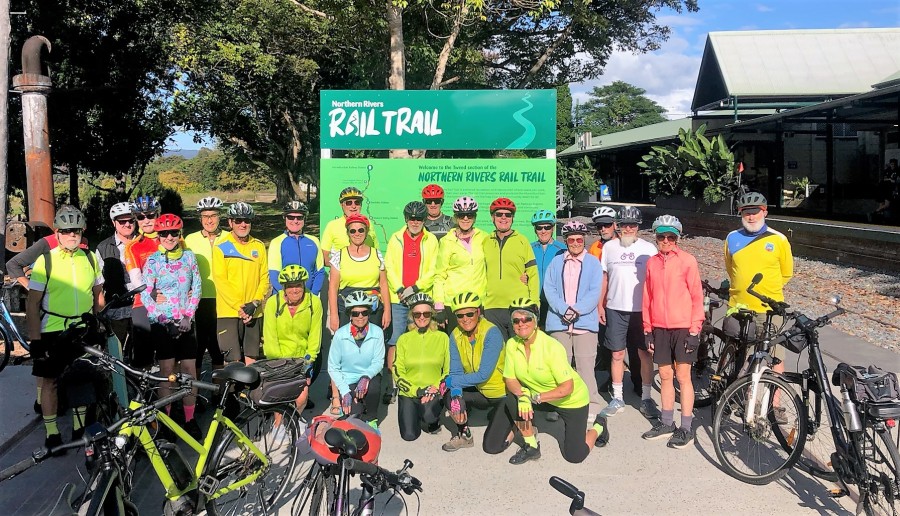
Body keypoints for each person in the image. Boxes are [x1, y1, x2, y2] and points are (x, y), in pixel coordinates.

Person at [488, 298, 609, 465]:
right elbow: (509, 378)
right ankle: (531, 445)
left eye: (526, 318)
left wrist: (534, 397)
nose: (521, 324)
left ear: (535, 320)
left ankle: (599, 426)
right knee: (511, 400)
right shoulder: (511, 344)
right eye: (516, 320)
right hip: (538, 396)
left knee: (575, 456)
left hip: (570, 400)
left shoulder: (552, 347)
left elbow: (567, 387)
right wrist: (522, 396)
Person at [26, 206, 104, 450]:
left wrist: (99, 322)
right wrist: (35, 340)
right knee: (50, 381)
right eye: (67, 231)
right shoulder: (46, 260)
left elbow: (98, 294)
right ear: (57, 233)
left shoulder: (90, 258)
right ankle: (52, 432)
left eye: (76, 231)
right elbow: (32, 303)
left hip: (82, 327)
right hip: (53, 329)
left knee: (81, 378)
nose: (72, 235)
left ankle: (79, 428)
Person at [641, 215, 704, 449]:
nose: (666, 241)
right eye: (661, 237)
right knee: (665, 375)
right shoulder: (652, 263)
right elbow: (647, 297)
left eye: (671, 237)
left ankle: (686, 427)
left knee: (683, 377)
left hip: (683, 327)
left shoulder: (687, 261)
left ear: (677, 238)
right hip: (660, 327)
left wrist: (695, 330)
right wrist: (647, 329)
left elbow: (697, 297)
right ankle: (667, 423)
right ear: (656, 237)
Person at [140, 214, 203, 439]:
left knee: (189, 370)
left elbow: (197, 288)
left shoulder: (189, 257)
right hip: (162, 323)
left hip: (185, 322)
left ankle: (190, 418)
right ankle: (166, 421)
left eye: (173, 233)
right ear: (158, 236)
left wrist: (188, 316)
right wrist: (164, 320)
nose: (169, 237)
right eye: (164, 233)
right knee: (167, 371)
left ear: (180, 234)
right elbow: (145, 295)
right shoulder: (153, 261)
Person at [724, 192, 793, 390]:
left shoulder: (778, 239)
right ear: (740, 214)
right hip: (738, 307)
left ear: (765, 212)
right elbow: (731, 269)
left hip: (769, 309)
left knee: (775, 357)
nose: (751, 216)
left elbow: (787, 273)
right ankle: (742, 396)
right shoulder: (732, 238)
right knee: (739, 355)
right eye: (746, 213)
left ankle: (775, 402)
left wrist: (767, 291)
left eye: (755, 212)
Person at [598, 206, 659, 419]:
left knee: (644, 354)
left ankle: (646, 398)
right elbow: (604, 278)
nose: (628, 228)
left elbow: (655, 281)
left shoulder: (649, 248)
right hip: (615, 308)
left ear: (638, 227)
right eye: (624, 225)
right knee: (616, 354)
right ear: (618, 226)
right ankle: (617, 398)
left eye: (632, 225)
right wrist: (600, 305)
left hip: (641, 310)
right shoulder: (609, 248)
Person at [543, 221, 604, 418]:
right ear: (566, 241)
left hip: (585, 323)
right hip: (559, 322)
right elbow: (549, 288)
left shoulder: (593, 263)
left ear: (584, 240)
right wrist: (563, 310)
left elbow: (595, 291)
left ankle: (590, 405)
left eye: (579, 239)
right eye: (571, 240)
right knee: (560, 368)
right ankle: (559, 405)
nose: (576, 243)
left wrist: (577, 310)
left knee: (585, 368)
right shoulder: (557, 262)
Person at [384, 201, 440, 403]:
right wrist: (400, 289)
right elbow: (389, 266)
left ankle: (426, 381)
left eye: (419, 218)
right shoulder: (396, 238)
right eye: (411, 218)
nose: (415, 222)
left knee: (424, 339)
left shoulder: (431, 240)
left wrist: (415, 288)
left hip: (421, 297)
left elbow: (433, 269)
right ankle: (392, 384)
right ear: (406, 219)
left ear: (425, 220)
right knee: (395, 341)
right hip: (398, 297)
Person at [441, 292, 508, 452]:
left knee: (491, 447)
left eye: (470, 314)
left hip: (501, 394)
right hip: (479, 390)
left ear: (478, 312)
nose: (465, 319)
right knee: (449, 394)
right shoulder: (455, 335)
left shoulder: (491, 332)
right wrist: (456, 395)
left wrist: (450, 382)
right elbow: (456, 370)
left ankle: (518, 423)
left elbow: (483, 375)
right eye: (460, 315)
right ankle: (465, 435)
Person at [212, 202, 269, 363]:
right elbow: (220, 281)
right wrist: (241, 307)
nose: (243, 224)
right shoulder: (221, 247)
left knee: (252, 360)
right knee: (233, 361)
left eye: (247, 220)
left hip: (254, 311)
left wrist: (255, 302)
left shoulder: (259, 246)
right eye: (238, 220)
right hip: (229, 313)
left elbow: (264, 277)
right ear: (230, 222)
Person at [262, 265, 322, 413]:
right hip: (279, 359)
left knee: (301, 399)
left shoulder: (314, 303)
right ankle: (279, 425)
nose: (295, 290)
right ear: (284, 287)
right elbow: (270, 337)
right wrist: (280, 365)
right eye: (290, 286)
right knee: (280, 399)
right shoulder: (273, 303)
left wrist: (308, 362)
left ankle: (293, 422)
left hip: (302, 360)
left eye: (298, 285)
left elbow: (315, 336)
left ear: (304, 285)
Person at [393, 293, 450, 441]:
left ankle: (432, 419)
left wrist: (435, 387)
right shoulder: (403, 339)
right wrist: (416, 391)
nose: (422, 317)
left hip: (432, 390)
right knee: (409, 435)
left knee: (429, 415)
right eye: (417, 314)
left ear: (432, 315)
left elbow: (448, 370)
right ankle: (415, 412)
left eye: (426, 313)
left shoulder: (442, 337)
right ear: (412, 316)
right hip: (410, 391)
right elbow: (397, 371)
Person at [482, 198, 538, 341]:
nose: (503, 218)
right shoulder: (486, 241)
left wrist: (535, 303)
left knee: (519, 349)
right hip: (491, 307)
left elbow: (532, 274)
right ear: (492, 217)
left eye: (508, 215)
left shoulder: (522, 241)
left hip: (518, 306)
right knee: (497, 351)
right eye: (499, 214)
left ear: (512, 218)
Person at [184, 197, 228, 376]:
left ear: (220, 216)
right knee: (199, 347)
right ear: (200, 218)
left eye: (213, 215)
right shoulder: (190, 240)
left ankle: (221, 390)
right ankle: (195, 391)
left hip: (224, 299)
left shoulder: (229, 238)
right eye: (205, 216)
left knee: (219, 347)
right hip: (199, 299)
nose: (209, 220)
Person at [328, 291, 385, 428]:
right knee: (354, 419)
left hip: (368, 377)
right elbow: (333, 367)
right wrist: (344, 392)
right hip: (348, 380)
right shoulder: (340, 335)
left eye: (364, 313)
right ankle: (357, 406)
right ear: (350, 315)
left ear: (369, 313)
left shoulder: (377, 332)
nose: (360, 317)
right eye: (355, 313)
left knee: (374, 387)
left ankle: (372, 419)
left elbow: (378, 362)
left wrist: (366, 377)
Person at [432, 197, 487, 333]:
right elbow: (439, 275)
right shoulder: (446, 241)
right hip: (453, 303)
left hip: (477, 301)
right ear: (456, 217)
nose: (466, 218)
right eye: (461, 215)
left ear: (475, 217)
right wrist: (439, 306)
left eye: (470, 215)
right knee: (454, 343)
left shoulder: (484, 237)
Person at [124, 195, 162, 369]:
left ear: (157, 215)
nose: (146, 220)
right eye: (140, 217)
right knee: (143, 360)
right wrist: (156, 293)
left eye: (150, 215)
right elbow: (136, 280)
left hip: (171, 302)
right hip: (143, 302)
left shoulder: (172, 238)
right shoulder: (133, 246)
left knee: (171, 359)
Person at [94, 202, 136, 344]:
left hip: (142, 307)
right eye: (122, 221)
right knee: (116, 350)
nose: (127, 224)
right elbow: (98, 281)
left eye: (131, 220)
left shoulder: (144, 243)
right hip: (116, 310)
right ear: (114, 222)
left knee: (143, 351)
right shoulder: (103, 247)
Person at [268, 200, 325, 295]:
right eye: (291, 217)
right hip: (284, 297)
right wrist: (287, 296)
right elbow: (274, 275)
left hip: (309, 297)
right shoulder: (276, 242)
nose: (295, 221)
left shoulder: (314, 241)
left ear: (304, 219)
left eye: (299, 217)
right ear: (285, 218)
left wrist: (313, 295)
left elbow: (319, 271)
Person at [587, 205, 618, 377]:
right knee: (604, 340)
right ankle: (609, 375)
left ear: (614, 225)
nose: (603, 229)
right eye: (599, 226)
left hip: (619, 301)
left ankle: (636, 381)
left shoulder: (623, 245)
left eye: (607, 225)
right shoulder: (595, 247)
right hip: (600, 302)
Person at [320, 186, 378, 264]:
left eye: (357, 202)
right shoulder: (332, 225)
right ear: (342, 205)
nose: (353, 206)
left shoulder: (369, 223)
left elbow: (376, 254)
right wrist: (344, 267)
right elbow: (324, 258)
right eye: (349, 203)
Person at [530, 209, 565, 327]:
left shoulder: (563, 250)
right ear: (535, 230)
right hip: (534, 300)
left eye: (547, 227)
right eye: (539, 228)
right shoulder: (529, 248)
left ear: (553, 228)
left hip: (554, 300)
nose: (543, 231)